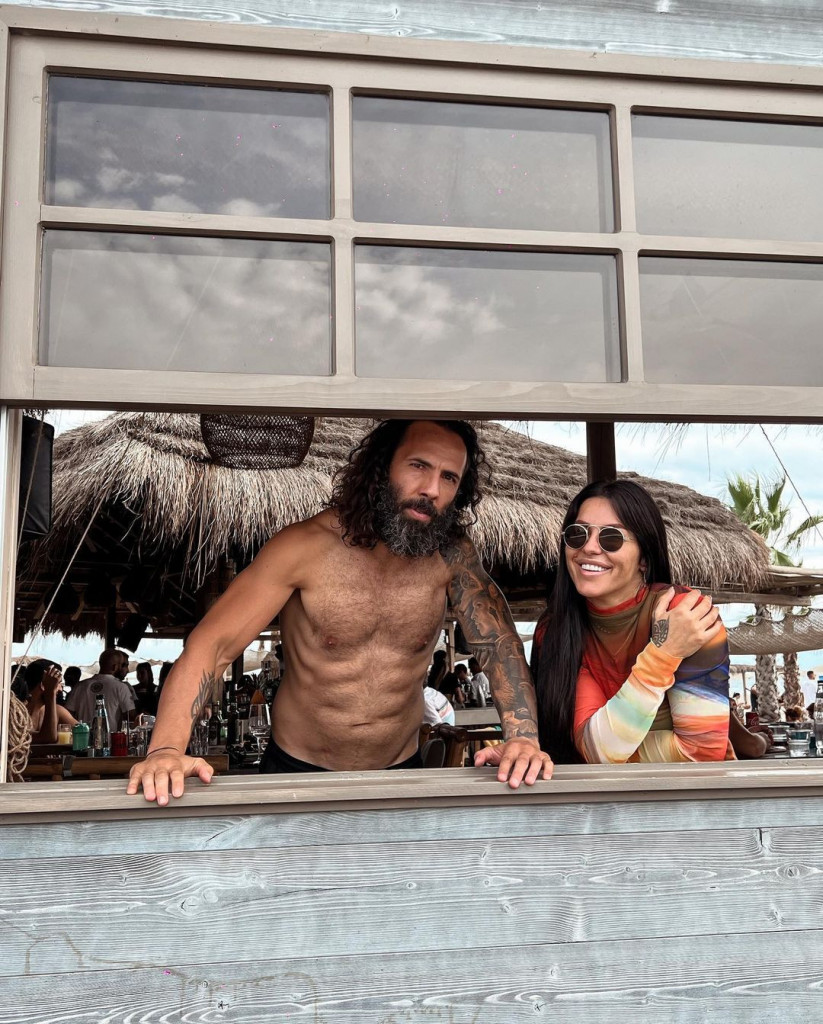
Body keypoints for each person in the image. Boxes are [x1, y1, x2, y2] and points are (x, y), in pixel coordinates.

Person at [128, 419, 552, 804]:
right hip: (296, 772)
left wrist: (523, 738)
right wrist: (166, 749)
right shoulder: (304, 546)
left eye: (449, 477)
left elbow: (499, 646)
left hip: (400, 773)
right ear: (382, 467)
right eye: (418, 466)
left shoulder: (453, 558)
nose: (432, 490)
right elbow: (212, 645)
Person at [532, 479, 732, 764]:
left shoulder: (685, 613)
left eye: (611, 538)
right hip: (595, 793)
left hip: (692, 791)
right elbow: (598, 750)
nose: (589, 548)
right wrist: (664, 653)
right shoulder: (557, 629)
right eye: (578, 534)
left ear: (644, 558)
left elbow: (700, 753)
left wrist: (612, 749)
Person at [65, 648, 135, 731]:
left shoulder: (80, 686)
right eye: (122, 665)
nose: (127, 670)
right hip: (110, 738)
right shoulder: (121, 687)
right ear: (114, 667)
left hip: (83, 737)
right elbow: (131, 716)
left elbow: (67, 714)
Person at [25, 660, 77, 743]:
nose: (60, 689)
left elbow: (84, 732)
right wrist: (50, 693)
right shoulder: (17, 712)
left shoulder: (58, 711)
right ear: (43, 685)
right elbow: (48, 737)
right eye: (58, 683)